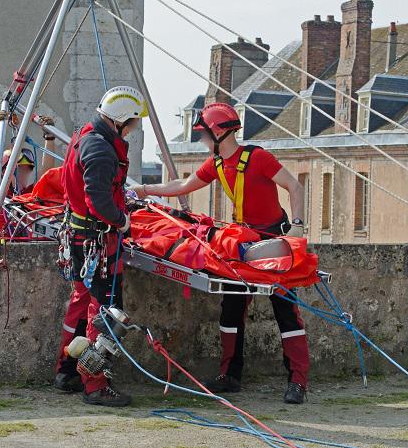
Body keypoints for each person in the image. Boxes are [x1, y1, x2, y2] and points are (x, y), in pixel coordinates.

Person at [130, 102, 310, 404]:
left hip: (275, 241)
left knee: (285, 311)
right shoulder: (216, 164)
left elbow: (294, 186)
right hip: (244, 242)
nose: (201, 139)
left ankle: (298, 382)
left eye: (203, 134)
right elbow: (183, 185)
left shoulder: (258, 158)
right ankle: (230, 375)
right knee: (231, 309)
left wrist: (298, 226)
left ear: (217, 133)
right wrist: (146, 191)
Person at [55, 86, 147, 407]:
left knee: (82, 302)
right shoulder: (101, 149)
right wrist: (123, 221)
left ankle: (67, 370)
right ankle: (95, 385)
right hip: (96, 242)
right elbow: (99, 202)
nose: (132, 129)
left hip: (79, 238)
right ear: (120, 120)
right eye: (132, 123)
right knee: (106, 311)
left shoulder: (85, 135)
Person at [0, 110, 58, 232]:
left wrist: (49, 138)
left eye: (27, 170)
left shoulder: (27, 195)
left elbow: (46, 174)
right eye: (19, 168)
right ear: (4, 171)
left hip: (22, 243)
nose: (24, 173)